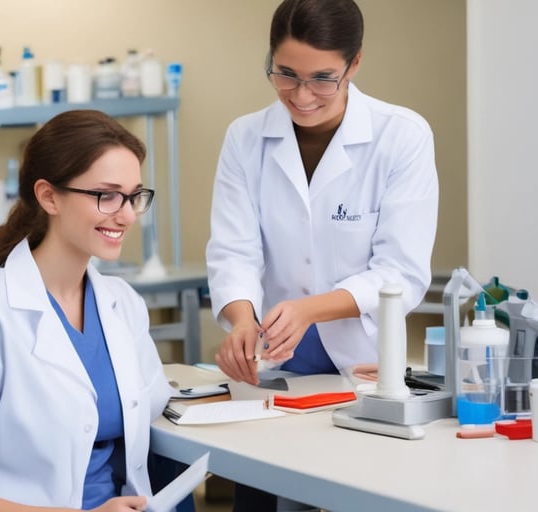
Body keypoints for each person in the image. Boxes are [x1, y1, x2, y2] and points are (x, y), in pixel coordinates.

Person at [206, 0, 438, 509]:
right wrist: (242, 321)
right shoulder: (245, 138)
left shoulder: (400, 136)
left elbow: (401, 273)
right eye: (285, 74)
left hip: (363, 365)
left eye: (322, 78)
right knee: (266, 495)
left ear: (354, 64)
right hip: (275, 368)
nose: (302, 95)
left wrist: (310, 309)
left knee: (351, 491)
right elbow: (233, 250)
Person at [0, 110, 174, 512]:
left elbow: (150, 405)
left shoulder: (122, 303)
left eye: (134, 196)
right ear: (48, 196)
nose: (128, 214)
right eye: (107, 195)